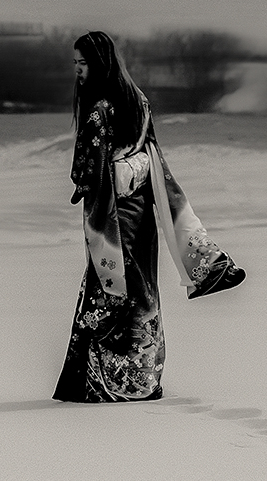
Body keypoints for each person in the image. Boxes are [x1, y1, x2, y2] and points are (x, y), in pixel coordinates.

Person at [53, 30, 245, 404]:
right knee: (142, 290)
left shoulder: (98, 111)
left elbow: (85, 170)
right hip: (141, 211)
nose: (77, 70)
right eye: (75, 63)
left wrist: (90, 179)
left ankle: (105, 383)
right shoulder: (138, 100)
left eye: (83, 63)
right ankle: (145, 379)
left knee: (109, 290)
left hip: (112, 217)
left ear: (100, 64)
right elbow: (151, 150)